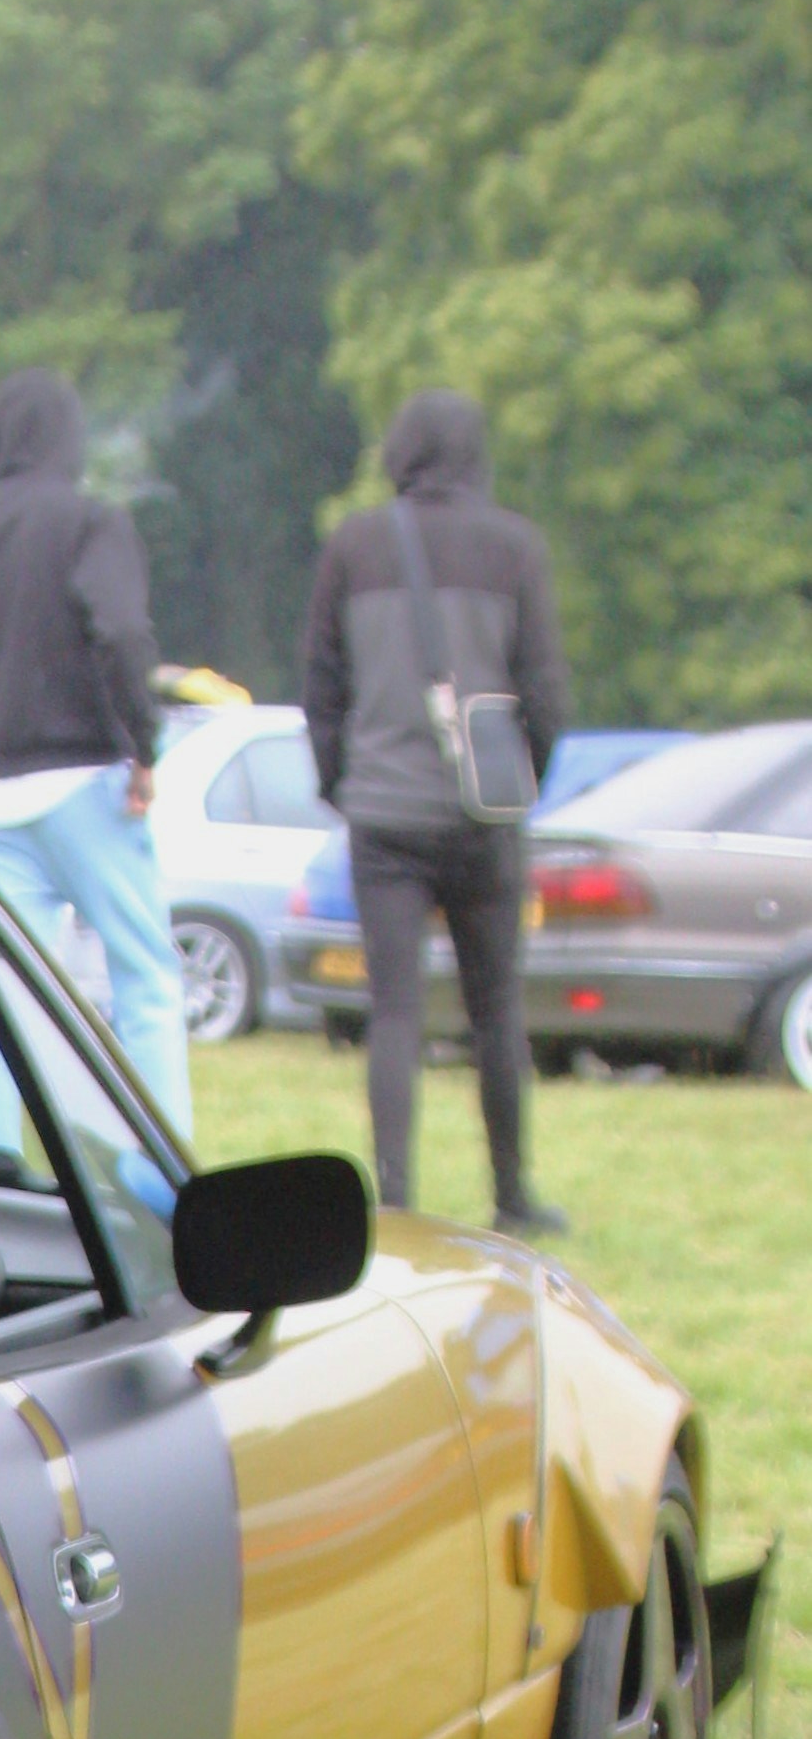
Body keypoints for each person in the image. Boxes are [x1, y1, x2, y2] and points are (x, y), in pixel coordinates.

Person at [0, 367, 191, 1150]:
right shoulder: (90, 523)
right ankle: (158, 1179)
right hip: (84, 787)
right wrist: (142, 745)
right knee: (146, 985)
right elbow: (123, 633)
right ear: (69, 438)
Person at [301, 388, 571, 1232]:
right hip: (481, 820)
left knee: (392, 1011)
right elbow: (548, 695)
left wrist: (338, 782)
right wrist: (518, 780)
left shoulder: (353, 544)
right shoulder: (515, 548)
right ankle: (511, 1194)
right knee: (496, 1009)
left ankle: (395, 1201)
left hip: (381, 816)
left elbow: (320, 684)